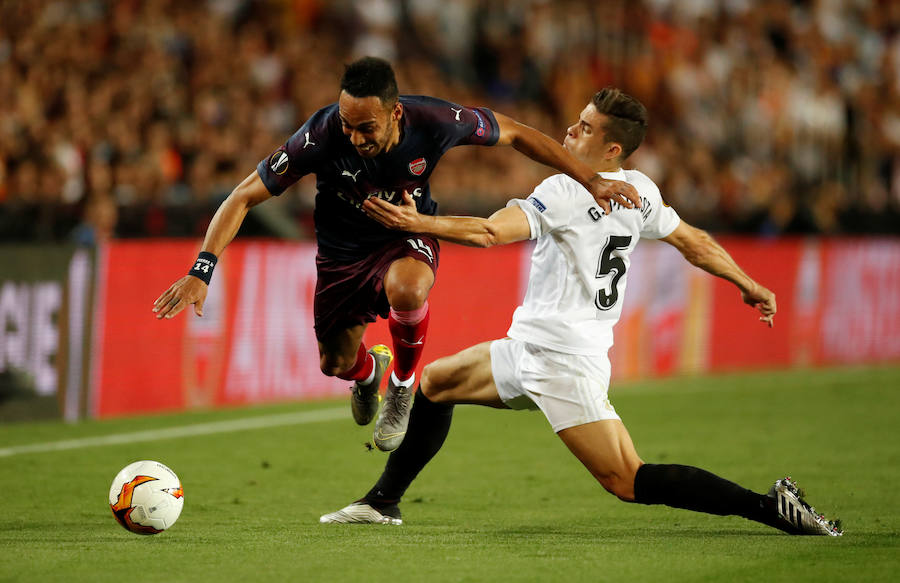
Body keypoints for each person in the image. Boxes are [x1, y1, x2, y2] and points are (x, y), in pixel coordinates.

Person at [319, 88, 843, 536]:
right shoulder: (640, 190)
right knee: (433, 383)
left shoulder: (565, 189)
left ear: (610, 148)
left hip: (562, 361)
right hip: (530, 347)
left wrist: (415, 223)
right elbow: (692, 241)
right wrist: (747, 283)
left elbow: (488, 232)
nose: (571, 130)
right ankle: (380, 502)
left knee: (627, 480)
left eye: (585, 127)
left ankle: (770, 506)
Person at [151, 57, 641, 451]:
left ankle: (402, 386)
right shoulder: (320, 135)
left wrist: (590, 179)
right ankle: (370, 374)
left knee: (409, 287)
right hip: (342, 251)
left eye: (367, 127)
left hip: (407, 230)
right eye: (348, 125)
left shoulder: (434, 120)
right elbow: (242, 196)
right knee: (335, 362)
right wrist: (202, 269)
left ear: (395, 113)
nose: (356, 138)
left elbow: (513, 132)